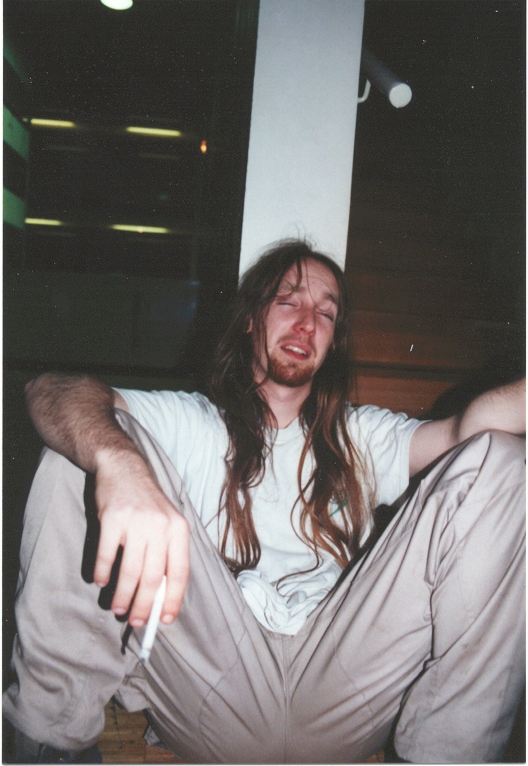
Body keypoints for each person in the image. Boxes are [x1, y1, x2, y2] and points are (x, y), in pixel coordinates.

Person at [3, 240, 526, 764]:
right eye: (288, 300)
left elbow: (468, 431)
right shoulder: (195, 423)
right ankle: (52, 740)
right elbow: (50, 391)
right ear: (251, 319)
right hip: (214, 682)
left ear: (333, 342)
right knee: (86, 444)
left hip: (343, 682)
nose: (307, 323)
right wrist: (121, 465)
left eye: (326, 313)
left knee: (502, 458)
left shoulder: (361, 436)